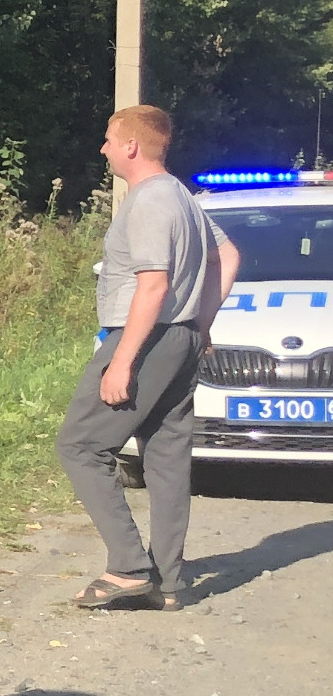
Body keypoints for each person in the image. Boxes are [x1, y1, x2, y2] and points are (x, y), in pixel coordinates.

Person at [55, 104, 239, 610]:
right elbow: (229, 255)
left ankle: (129, 567)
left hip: (148, 337)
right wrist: (200, 324)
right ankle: (170, 583)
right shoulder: (181, 195)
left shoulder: (152, 201)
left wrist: (122, 361)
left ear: (131, 146)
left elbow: (153, 285)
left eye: (109, 140)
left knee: (80, 446)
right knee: (165, 458)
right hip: (177, 339)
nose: (104, 148)